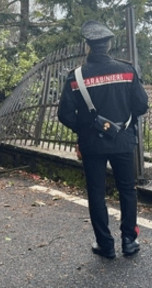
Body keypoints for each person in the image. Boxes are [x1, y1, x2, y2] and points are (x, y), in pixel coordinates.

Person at [57, 20, 148, 259]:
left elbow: (64, 115)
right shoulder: (127, 71)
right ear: (108, 44)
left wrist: (85, 128)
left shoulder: (75, 77)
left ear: (88, 45)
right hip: (123, 140)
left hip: (92, 144)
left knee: (96, 193)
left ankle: (105, 245)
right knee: (127, 189)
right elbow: (141, 105)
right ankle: (129, 240)